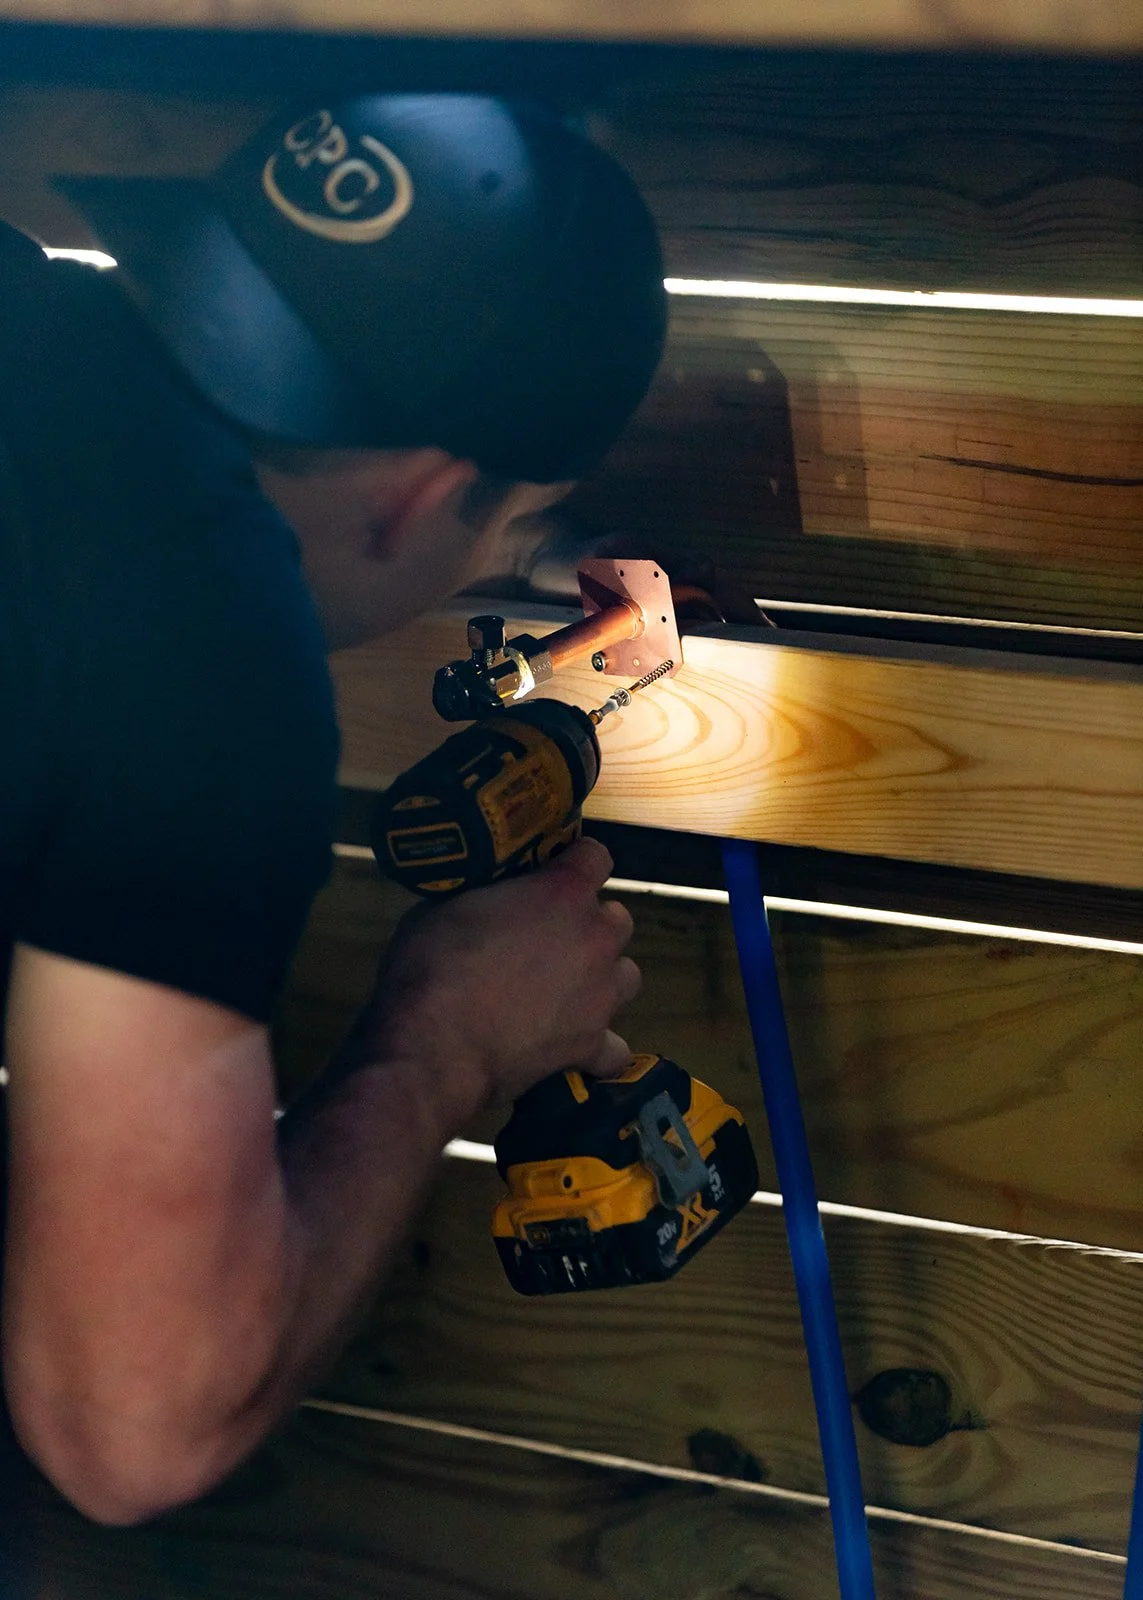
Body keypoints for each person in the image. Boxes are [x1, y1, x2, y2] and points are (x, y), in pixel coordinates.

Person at [0, 94, 667, 1531]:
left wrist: (537, 539)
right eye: (496, 530)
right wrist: (445, 1043)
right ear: (421, 493)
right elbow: (132, 1423)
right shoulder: (192, 637)